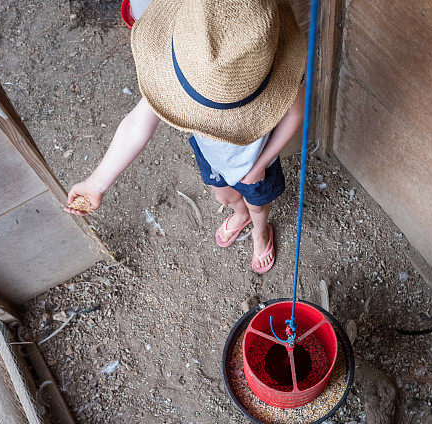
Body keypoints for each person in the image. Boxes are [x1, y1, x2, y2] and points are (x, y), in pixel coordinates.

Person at [66, 0, 306, 273]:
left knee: (259, 206)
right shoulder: (187, 56)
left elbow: (295, 114)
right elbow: (136, 124)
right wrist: (96, 184)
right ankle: (240, 216)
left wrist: (260, 165)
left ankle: (259, 233)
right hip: (210, 153)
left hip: (254, 161)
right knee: (223, 197)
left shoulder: (274, 70)